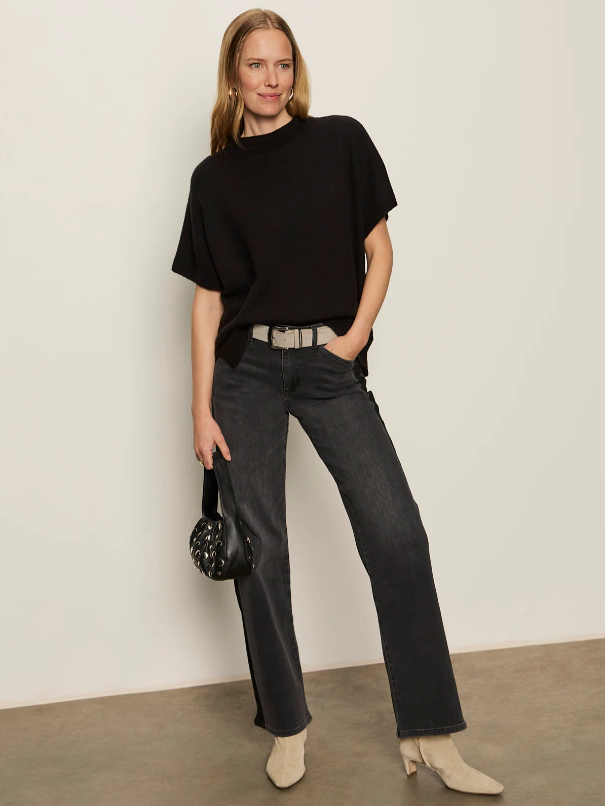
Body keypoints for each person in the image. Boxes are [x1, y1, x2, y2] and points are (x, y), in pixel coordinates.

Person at [171, 8, 504, 796]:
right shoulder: (214, 179)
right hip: (246, 372)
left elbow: (378, 250)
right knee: (262, 551)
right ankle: (287, 728)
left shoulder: (340, 142)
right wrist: (199, 408)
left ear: (296, 72)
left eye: (282, 63)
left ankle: (429, 733)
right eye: (256, 65)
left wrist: (351, 341)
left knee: (396, 534)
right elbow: (208, 301)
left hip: (327, 364)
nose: (271, 78)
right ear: (233, 78)